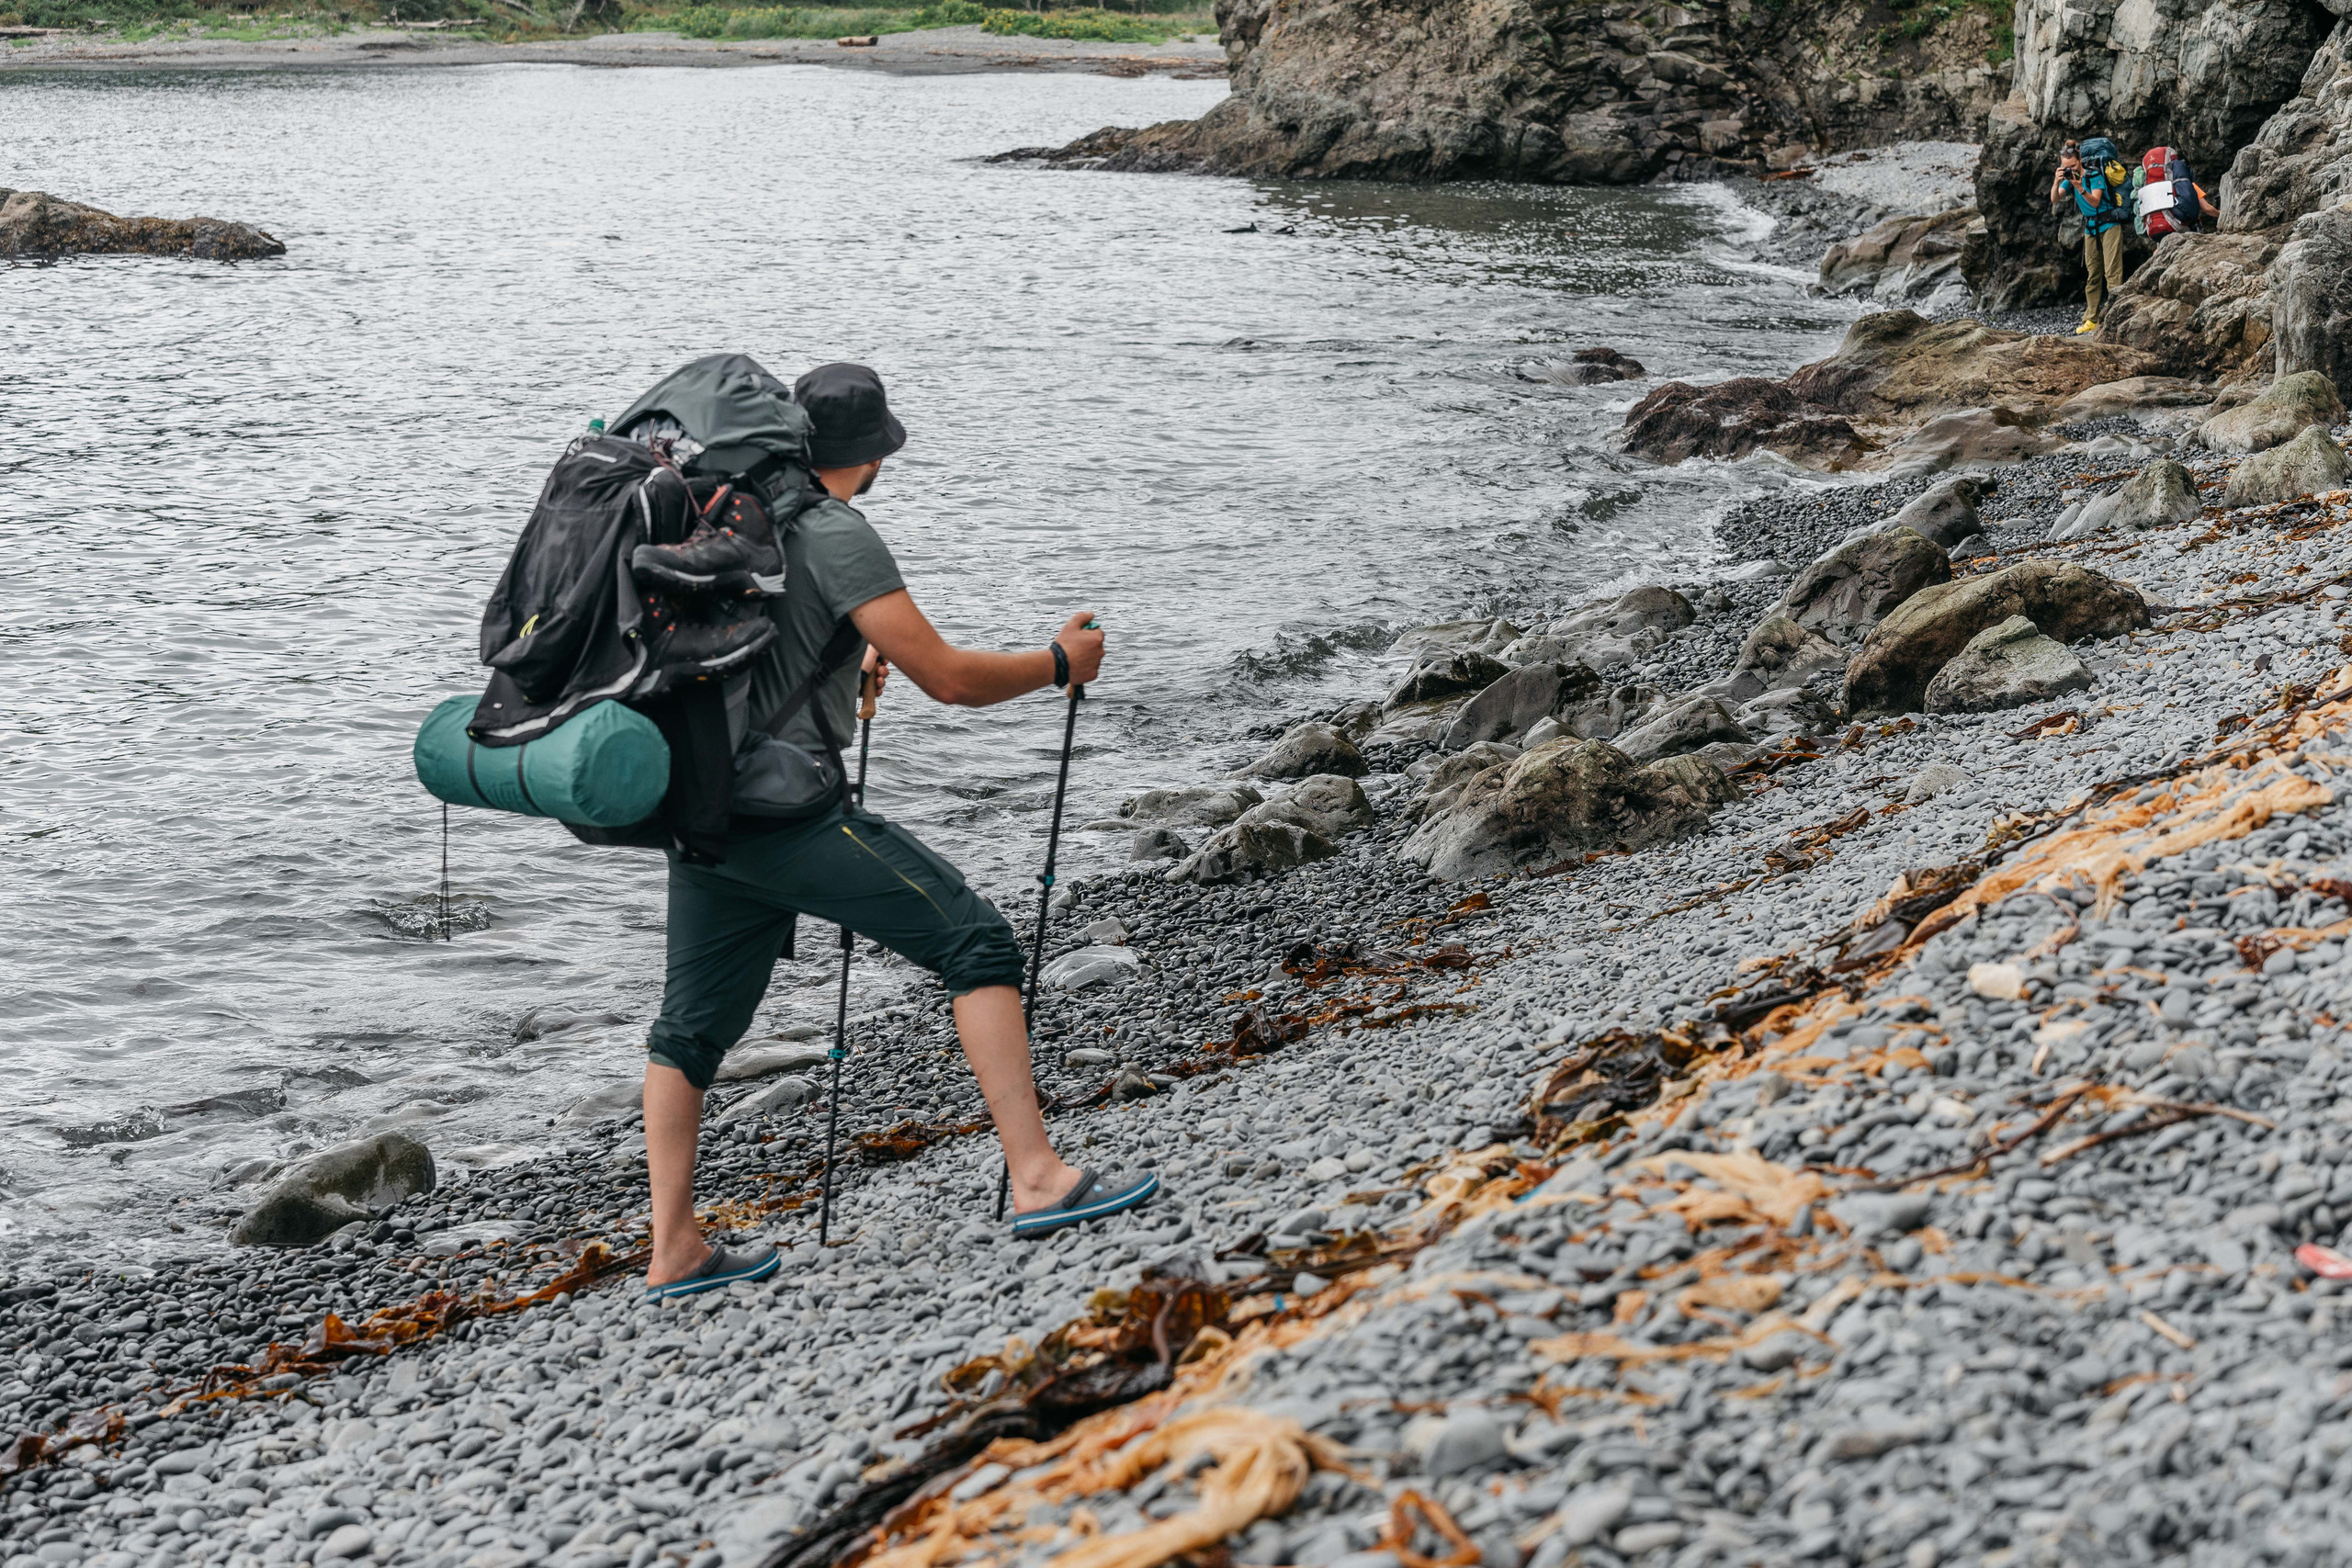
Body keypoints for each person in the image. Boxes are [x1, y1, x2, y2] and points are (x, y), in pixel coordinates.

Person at [638, 362, 1159, 1301]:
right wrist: (1057, 661)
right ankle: (1039, 1178)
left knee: (689, 1031)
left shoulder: (729, 515)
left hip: (700, 811)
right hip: (786, 820)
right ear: (873, 453)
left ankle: (673, 1245)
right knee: (976, 942)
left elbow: (766, 645)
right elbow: (951, 679)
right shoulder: (834, 531)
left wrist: (843, 660)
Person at [2051, 139, 2127, 333]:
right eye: (2066, 167)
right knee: (2093, 274)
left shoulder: (2095, 175)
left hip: (2110, 225)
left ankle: (2116, 315)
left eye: (2073, 166)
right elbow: (2055, 198)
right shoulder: (2070, 179)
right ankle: (2091, 318)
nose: (2071, 170)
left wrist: (2079, 186)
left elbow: (2095, 202)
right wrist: (2057, 181)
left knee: (2112, 273)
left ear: (2081, 160)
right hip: (2090, 229)